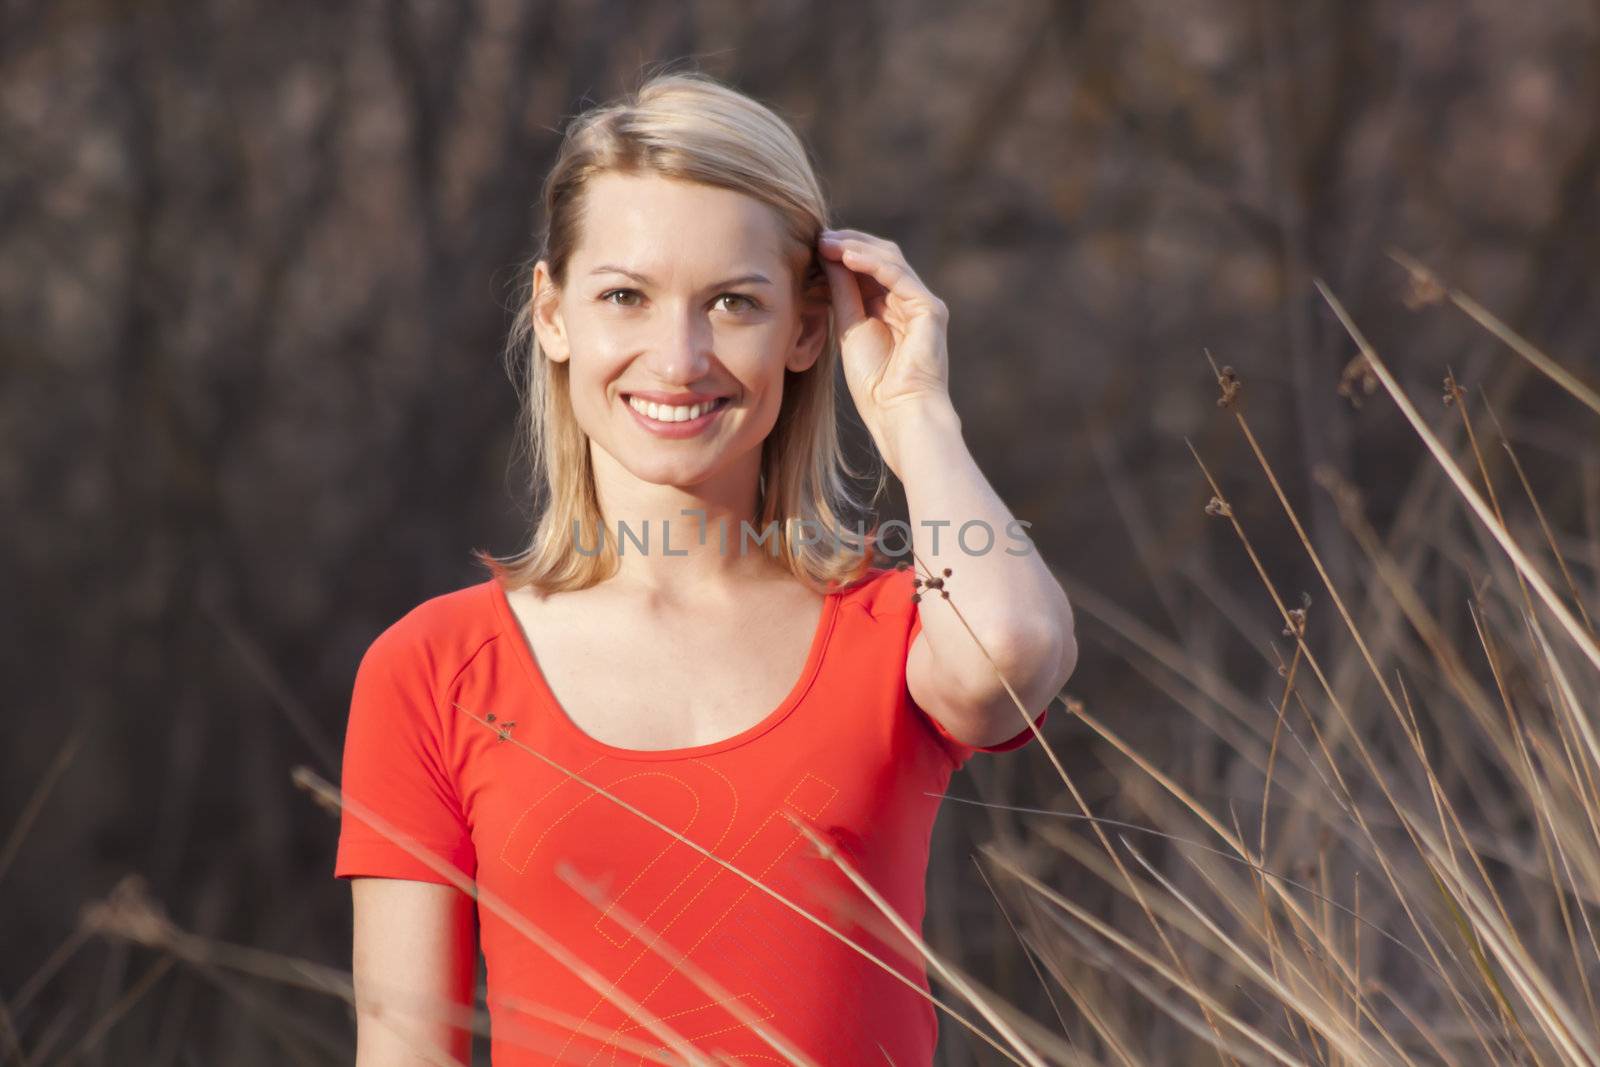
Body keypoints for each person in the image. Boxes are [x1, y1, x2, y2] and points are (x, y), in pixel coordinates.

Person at [333, 67, 1077, 1067]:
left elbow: (1015, 655)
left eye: (732, 302)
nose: (678, 356)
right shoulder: (434, 665)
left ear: (805, 328)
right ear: (553, 315)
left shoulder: (894, 627)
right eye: (624, 296)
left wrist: (915, 414)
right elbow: (405, 1052)